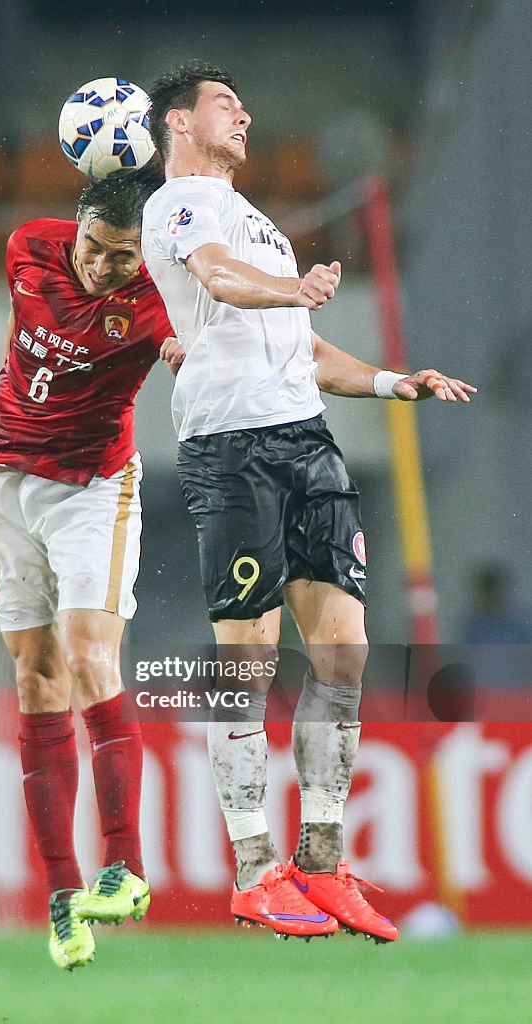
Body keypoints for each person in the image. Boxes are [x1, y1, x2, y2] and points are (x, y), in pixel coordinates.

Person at [142, 62, 477, 943]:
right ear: (178, 123)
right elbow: (215, 278)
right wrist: (286, 289)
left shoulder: (259, 224)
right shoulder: (181, 203)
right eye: (225, 103)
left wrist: (393, 381)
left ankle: (322, 864)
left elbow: (303, 347)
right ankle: (255, 869)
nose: (244, 113)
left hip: (307, 443)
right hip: (233, 448)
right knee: (246, 663)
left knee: (343, 654)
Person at [0, 165, 182, 970]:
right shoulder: (28, 246)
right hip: (3, 480)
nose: (103, 268)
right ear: (78, 227)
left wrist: (184, 357)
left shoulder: (154, 303)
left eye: (123, 258)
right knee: (35, 680)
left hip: (92, 488)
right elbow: (17, 339)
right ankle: (64, 899)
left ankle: (124, 866)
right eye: (96, 249)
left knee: (91, 654)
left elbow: (185, 347)